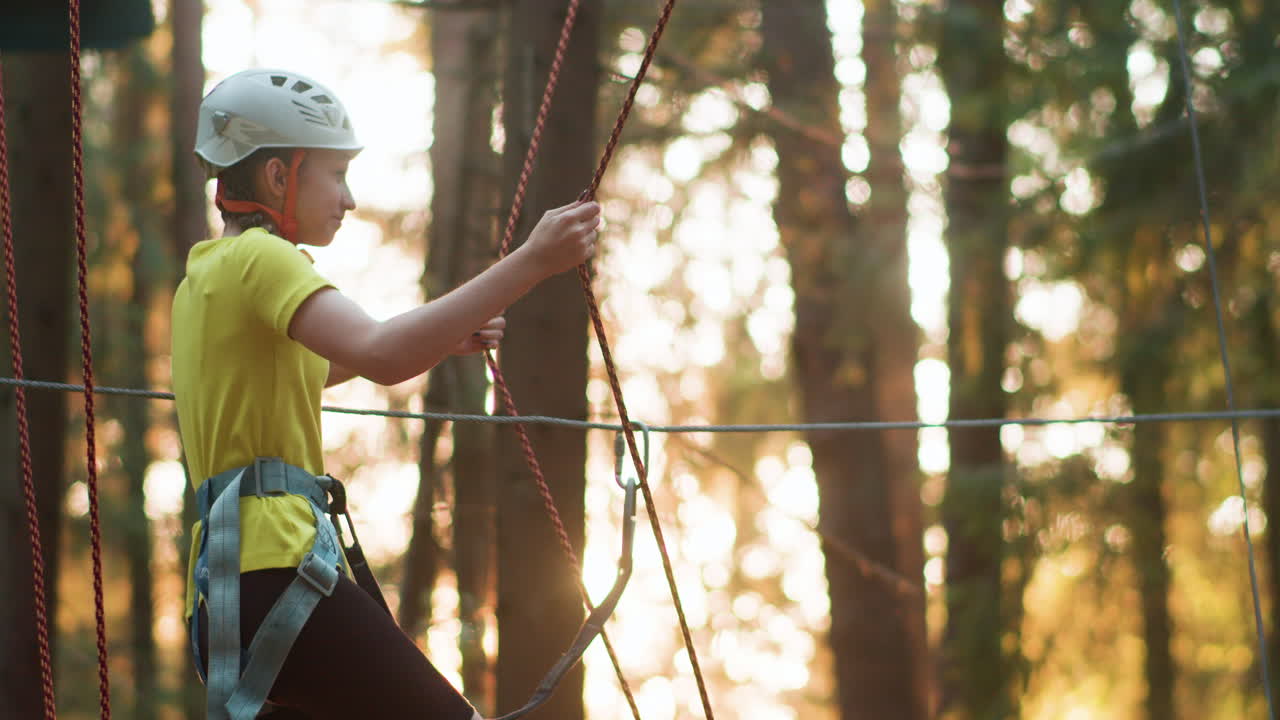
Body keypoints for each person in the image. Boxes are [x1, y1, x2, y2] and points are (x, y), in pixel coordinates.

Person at [173, 68, 601, 720]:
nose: (348, 199)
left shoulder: (207, 276)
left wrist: (449, 332)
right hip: (274, 569)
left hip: (227, 595)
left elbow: (319, 371)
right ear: (279, 177)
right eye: (336, 174)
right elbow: (381, 354)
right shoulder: (263, 259)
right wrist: (534, 262)